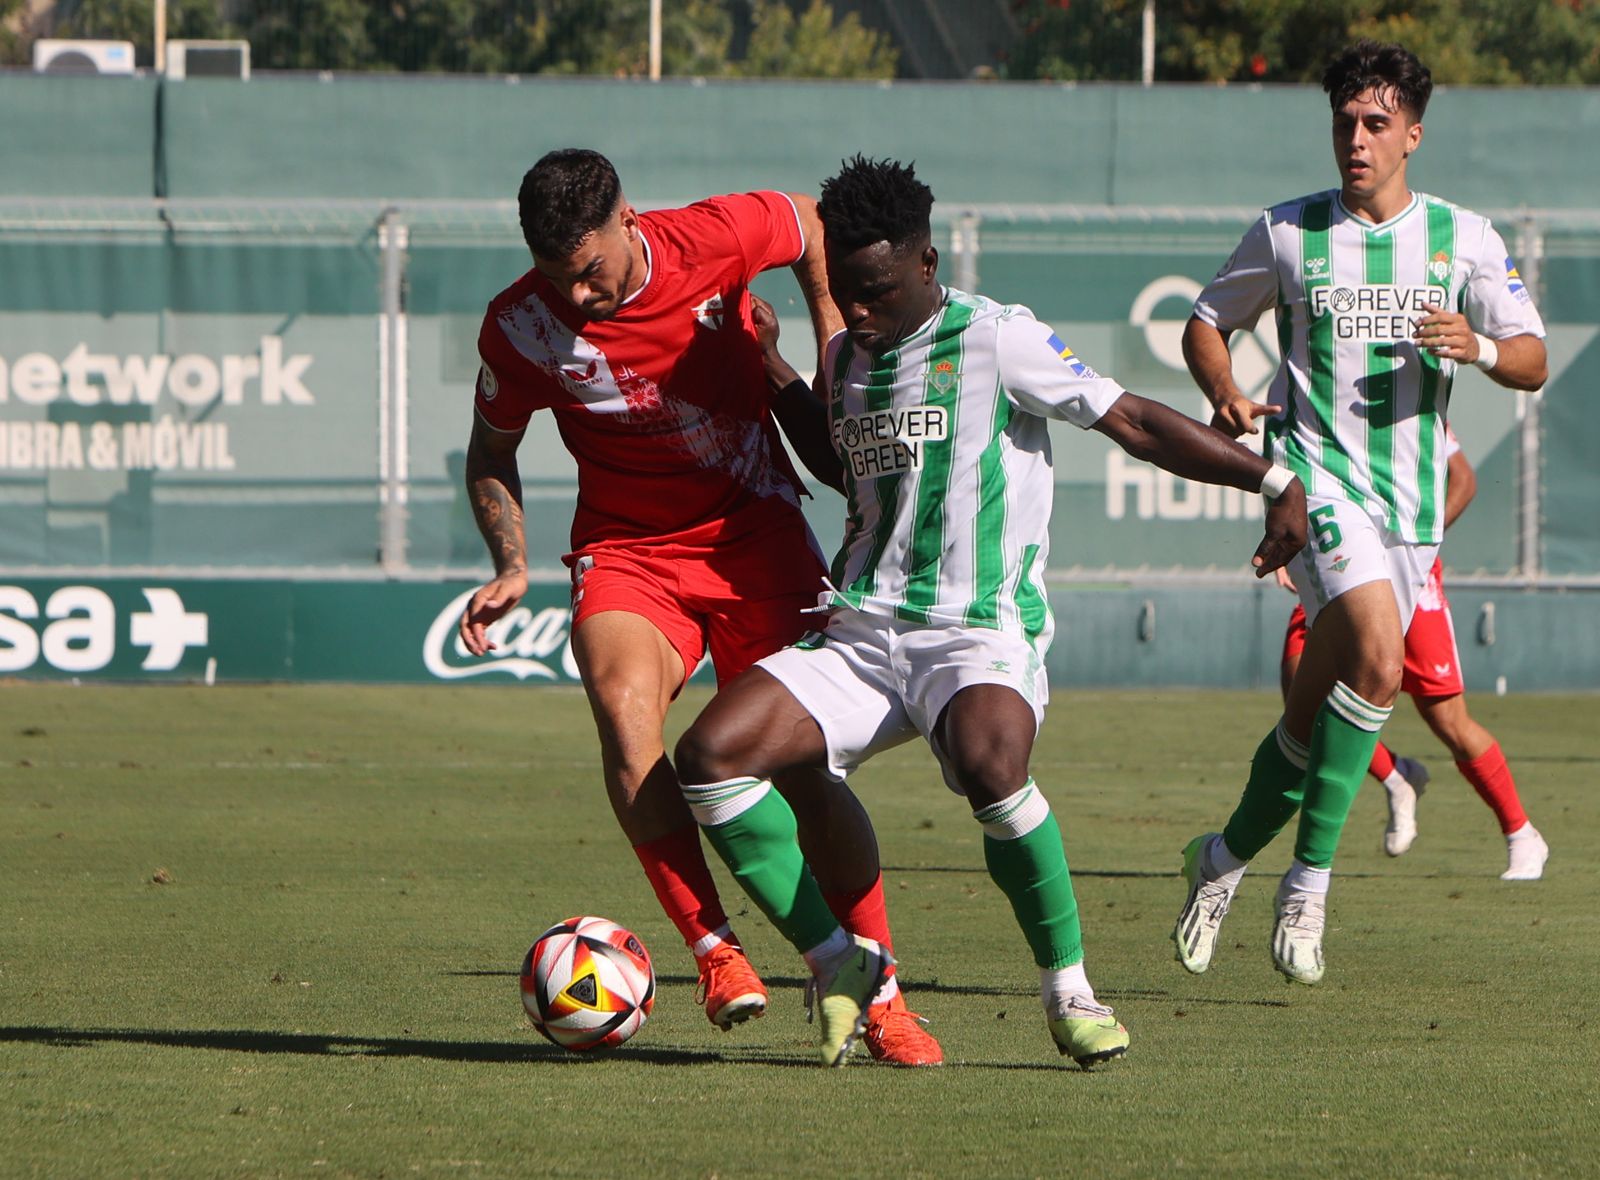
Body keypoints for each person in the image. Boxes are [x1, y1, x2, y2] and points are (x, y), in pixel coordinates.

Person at [670, 154, 1308, 1068]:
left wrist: (1270, 477)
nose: (856, 310)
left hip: (976, 632)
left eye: (876, 290)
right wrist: (771, 365)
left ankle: (1070, 991)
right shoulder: (849, 354)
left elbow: (1128, 419)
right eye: (845, 290)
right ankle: (839, 961)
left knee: (989, 764)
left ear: (926, 264)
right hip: (861, 631)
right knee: (708, 759)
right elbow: (839, 464)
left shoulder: (995, 337)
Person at [459, 148, 941, 1065]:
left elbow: (810, 222)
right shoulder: (519, 326)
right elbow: (491, 452)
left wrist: (831, 349)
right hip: (629, 554)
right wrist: (511, 560)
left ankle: (883, 995)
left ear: (627, 220)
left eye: (592, 272)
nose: (582, 298)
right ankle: (715, 951)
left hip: (754, 531)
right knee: (625, 722)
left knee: (803, 773)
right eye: (560, 279)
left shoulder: (716, 235)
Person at [1173, 41, 1548, 986]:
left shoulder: (1462, 238)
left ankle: (1218, 862)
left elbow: (1533, 356)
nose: (1356, 138)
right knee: (1381, 660)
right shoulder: (1287, 232)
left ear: (1412, 135)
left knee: (1307, 729)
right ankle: (1309, 885)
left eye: (1376, 123)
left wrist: (1481, 348)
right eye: (1344, 121)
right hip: (1314, 483)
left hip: (1411, 511)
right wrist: (1222, 389)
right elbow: (1206, 324)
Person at [1278, 434, 1547, 878]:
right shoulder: (1311, 388)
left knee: (1447, 719)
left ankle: (1522, 834)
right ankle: (1395, 776)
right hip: (1342, 564)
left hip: (1407, 569)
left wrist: (1421, 547)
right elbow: (1288, 475)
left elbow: (1463, 480)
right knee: (1301, 696)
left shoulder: (1411, 394)